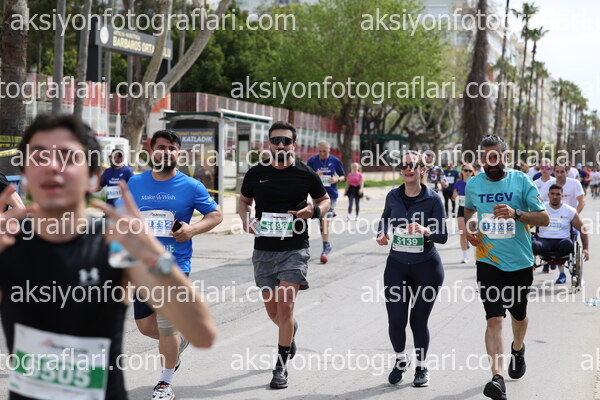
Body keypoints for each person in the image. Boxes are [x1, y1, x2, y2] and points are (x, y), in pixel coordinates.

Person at [0, 113, 216, 400]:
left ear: (92, 178)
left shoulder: (114, 244)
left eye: (67, 157)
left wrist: (154, 255)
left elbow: (202, 333)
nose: (53, 166)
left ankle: (166, 376)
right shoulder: (8, 245)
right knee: (147, 326)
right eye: (40, 157)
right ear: (25, 175)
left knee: (163, 327)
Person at [128, 129, 223, 400]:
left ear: (178, 153)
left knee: (167, 324)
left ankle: (165, 382)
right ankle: (181, 341)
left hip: (175, 265)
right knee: (145, 326)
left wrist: (192, 229)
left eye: (172, 148)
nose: (167, 152)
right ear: (151, 151)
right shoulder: (135, 183)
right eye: (162, 147)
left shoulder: (191, 186)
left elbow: (215, 215)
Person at [239, 121, 330, 389]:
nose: (281, 145)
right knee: (273, 311)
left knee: (286, 305)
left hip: (295, 248)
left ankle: (280, 366)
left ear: (294, 145)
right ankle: (289, 331)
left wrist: (314, 211)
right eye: (276, 140)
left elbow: (324, 200)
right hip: (264, 250)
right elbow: (244, 201)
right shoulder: (256, 173)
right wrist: (245, 220)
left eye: (286, 141)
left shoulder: (305, 173)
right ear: (269, 143)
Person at [463, 135, 549, 400]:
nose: (490, 162)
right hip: (488, 260)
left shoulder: (522, 181)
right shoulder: (473, 183)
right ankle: (497, 377)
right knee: (494, 318)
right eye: (485, 157)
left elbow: (544, 218)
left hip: (520, 262)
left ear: (506, 157)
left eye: (495, 157)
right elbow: (468, 211)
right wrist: (470, 228)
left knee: (518, 315)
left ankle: (518, 348)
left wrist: (516, 213)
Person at [376, 151, 447, 388]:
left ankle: (421, 367)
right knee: (396, 319)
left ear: (422, 170)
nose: (408, 169)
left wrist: (426, 231)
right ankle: (400, 360)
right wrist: (382, 232)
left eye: (413, 165)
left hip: (427, 268)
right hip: (397, 266)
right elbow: (385, 218)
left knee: (418, 320)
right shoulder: (393, 196)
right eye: (403, 165)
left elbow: (443, 236)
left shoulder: (433, 199)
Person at [532, 184, 590, 284]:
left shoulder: (570, 211)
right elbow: (529, 225)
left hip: (562, 241)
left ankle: (564, 273)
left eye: (558, 194)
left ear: (562, 196)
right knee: (533, 245)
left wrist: (585, 249)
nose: (555, 196)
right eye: (552, 194)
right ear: (548, 195)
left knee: (568, 244)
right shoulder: (541, 209)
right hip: (544, 241)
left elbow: (583, 229)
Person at [307, 141, 345, 263]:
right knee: (322, 223)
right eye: (320, 151)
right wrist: (315, 175)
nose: (322, 153)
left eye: (325, 151)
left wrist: (336, 179)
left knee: (325, 220)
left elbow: (343, 176)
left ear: (329, 149)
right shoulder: (312, 161)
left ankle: (325, 249)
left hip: (331, 195)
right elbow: (305, 177)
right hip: (317, 196)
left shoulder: (335, 160)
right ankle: (327, 245)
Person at [452, 163, 476, 263]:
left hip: (472, 210)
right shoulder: (458, 183)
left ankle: (477, 256)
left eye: (470, 171)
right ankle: (466, 256)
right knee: (462, 234)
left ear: (473, 172)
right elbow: (454, 195)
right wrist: (454, 196)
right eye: (465, 170)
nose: (467, 172)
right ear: (462, 171)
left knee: (473, 233)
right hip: (462, 209)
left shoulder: (475, 183)